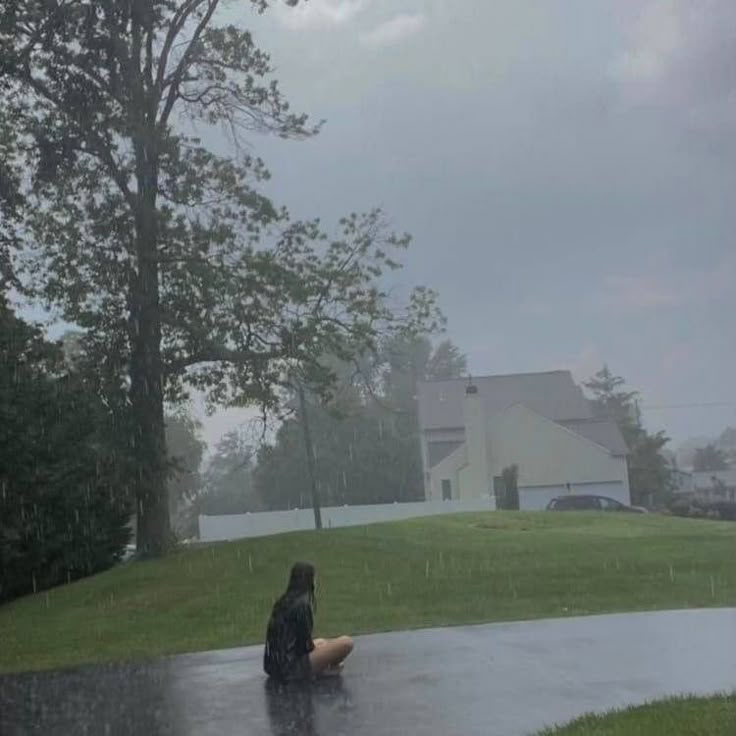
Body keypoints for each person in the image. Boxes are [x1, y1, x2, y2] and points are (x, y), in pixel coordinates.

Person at [263, 562, 353, 681]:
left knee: (321, 641)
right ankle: (321, 671)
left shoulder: (282, 602)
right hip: (290, 670)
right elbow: (304, 646)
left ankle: (320, 667)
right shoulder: (302, 605)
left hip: (273, 667)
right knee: (346, 642)